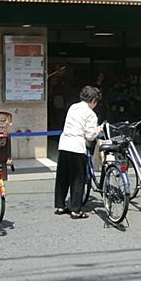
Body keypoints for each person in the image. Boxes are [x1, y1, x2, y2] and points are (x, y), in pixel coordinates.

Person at [54, 85, 103, 219]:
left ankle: (60, 206)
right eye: (96, 102)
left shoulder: (73, 107)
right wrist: (98, 130)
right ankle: (75, 210)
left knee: (62, 177)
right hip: (77, 147)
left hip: (64, 144)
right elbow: (89, 136)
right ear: (93, 100)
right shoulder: (90, 114)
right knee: (77, 179)